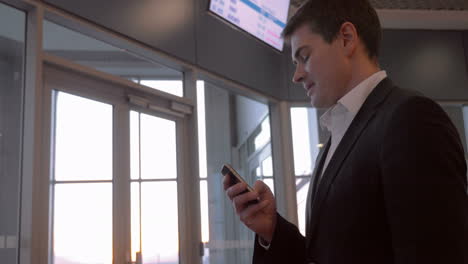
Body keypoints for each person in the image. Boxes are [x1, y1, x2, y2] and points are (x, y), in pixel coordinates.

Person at [223, 0, 468, 263]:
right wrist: (272, 229)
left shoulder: (411, 119)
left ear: (346, 39)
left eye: (304, 57)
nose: (296, 76)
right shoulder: (337, 136)